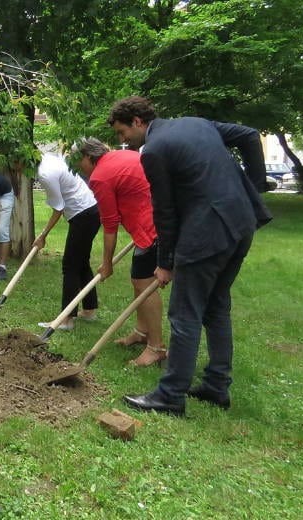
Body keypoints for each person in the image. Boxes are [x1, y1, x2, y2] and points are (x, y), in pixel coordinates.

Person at [108, 96, 272, 416]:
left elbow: (165, 212)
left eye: (122, 131)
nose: (122, 140)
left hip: (208, 233)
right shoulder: (196, 122)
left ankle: (170, 395)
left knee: (185, 314)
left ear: (138, 121)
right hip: (241, 224)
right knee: (216, 306)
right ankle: (216, 386)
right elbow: (250, 135)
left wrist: (165, 263)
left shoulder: (153, 151)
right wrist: (252, 189)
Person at [74, 138, 165, 366]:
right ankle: (142, 332)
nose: (77, 167)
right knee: (138, 280)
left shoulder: (100, 177)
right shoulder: (122, 155)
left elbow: (110, 224)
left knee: (145, 284)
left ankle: (156, 347)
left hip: (152, 228)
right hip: (155, 219)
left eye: (78, 161)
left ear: (88, 156)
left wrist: (107, 264)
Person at [33, 152, 101, 331]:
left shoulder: (45, 173)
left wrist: (43, 235)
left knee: (70, 266)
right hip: (91, 209)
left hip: (83, 214)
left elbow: (58, 208)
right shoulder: (48, 157)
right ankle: (89, 310)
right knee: (81, 262)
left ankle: (66, 319)